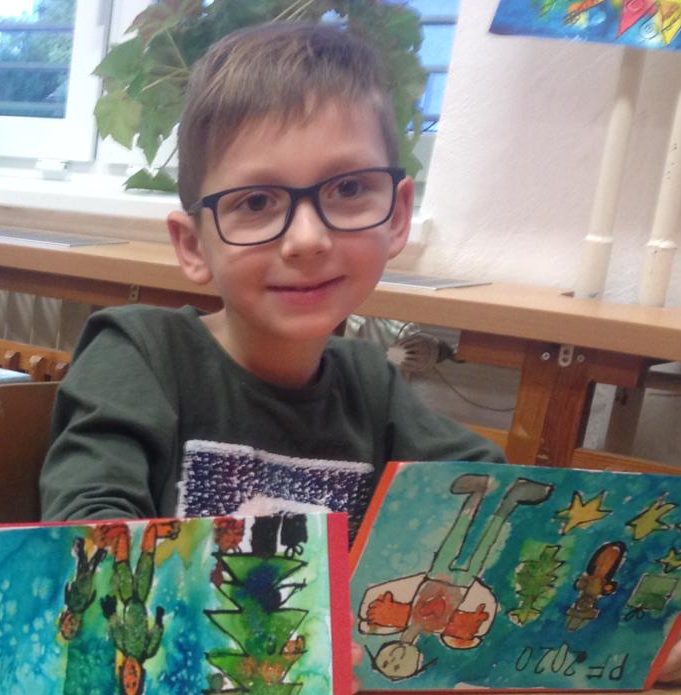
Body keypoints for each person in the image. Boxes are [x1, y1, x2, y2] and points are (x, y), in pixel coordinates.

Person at [38, 22, 502, 533]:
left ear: (396, 216)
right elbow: (87, 537)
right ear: (193, 245)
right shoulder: (141, 354)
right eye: (256, 201)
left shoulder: (372, 384)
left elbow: (494, 491)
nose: (307, 239)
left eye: (349, 189)